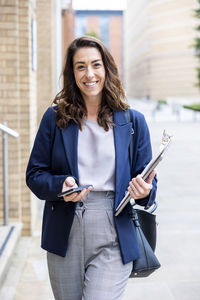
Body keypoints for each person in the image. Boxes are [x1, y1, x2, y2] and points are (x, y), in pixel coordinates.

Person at [26, 36, 157, 300]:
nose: (89, 74)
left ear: (107, 68)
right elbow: (34, 175)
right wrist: (60, 186)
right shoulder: (55, 119)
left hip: (114, 227)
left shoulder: (133, 121)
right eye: (80, 66)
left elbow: (149, 182)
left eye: (96, 65)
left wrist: (144, 191)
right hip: (65, 226)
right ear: (72, 73)